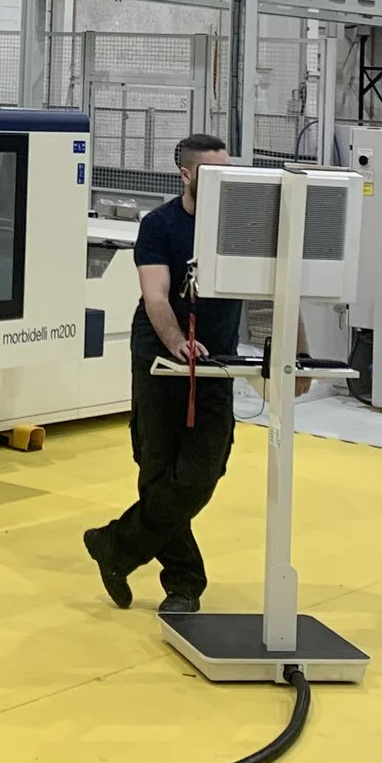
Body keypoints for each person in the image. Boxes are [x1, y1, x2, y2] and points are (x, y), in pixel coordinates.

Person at [83, 133, 239, 616]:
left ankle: (116, 545)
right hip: (159, 357)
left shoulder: (240, 226)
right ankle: (184, 584)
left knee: (203, 470)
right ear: (186, 175)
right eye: (212, 173)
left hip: (216, 362)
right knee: (156, 467)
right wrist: (176, 343)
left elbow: (278, 286)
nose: (223, 182)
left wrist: (300, 352)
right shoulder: (160, 225)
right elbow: (155, 295)